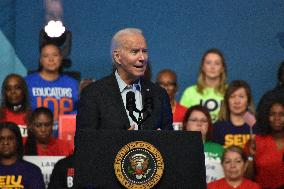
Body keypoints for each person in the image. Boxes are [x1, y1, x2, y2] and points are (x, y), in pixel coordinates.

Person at [76, 28, 172, 132]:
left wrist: (161, 139)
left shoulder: (159, 95)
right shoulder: (93, 94)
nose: (142, 58)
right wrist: (119, 141)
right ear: (117, 56)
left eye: (144, 51)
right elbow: (85, 143)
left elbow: (170, 140)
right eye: (134, 52)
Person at [25, 41, 79, 135]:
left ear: (61, 58)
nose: (51, 59)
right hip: (36, 138)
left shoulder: (73, 84)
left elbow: (81, 112)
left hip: (65, 138)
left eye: (55, 55)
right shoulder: (28, 82)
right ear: (40, 60)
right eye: (46, 56)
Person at [180, 48, 227, 122]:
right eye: (208, 63)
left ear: (222, 68)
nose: (212, 67)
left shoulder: (230, 91)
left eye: (217, 63)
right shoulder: (189, 92)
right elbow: (183, 120)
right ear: (202, 67)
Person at [246, 99, 284, 189]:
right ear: (266, 117)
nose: (277, 118)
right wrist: (250, 156)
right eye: (272, 114)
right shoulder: (256, 141)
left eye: (281, 114)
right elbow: (246, 179)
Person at [183, 105, 224, 183]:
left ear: (208, 126)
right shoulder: (177, 148)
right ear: (185, 124)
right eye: (194, 120)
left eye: (204, 121)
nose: (199, 124)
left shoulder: (218, 149)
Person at [212, 80, 257, 148]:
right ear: (227, 101)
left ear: (248, 101)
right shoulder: (217, 128)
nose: (236, 101)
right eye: (232, 97)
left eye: (241, 97)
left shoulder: (257, 127)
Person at [0, 122, 45, 188]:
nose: (5, 142)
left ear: (17, 141)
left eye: (10, 138)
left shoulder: (32, 171)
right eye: (1, 139)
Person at [0, 74, 31, 142]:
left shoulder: (32, 116)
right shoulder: (1, 115)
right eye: (8, 89)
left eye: (17, 88)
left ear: (24, 91)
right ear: (5, 92)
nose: (13, 92)